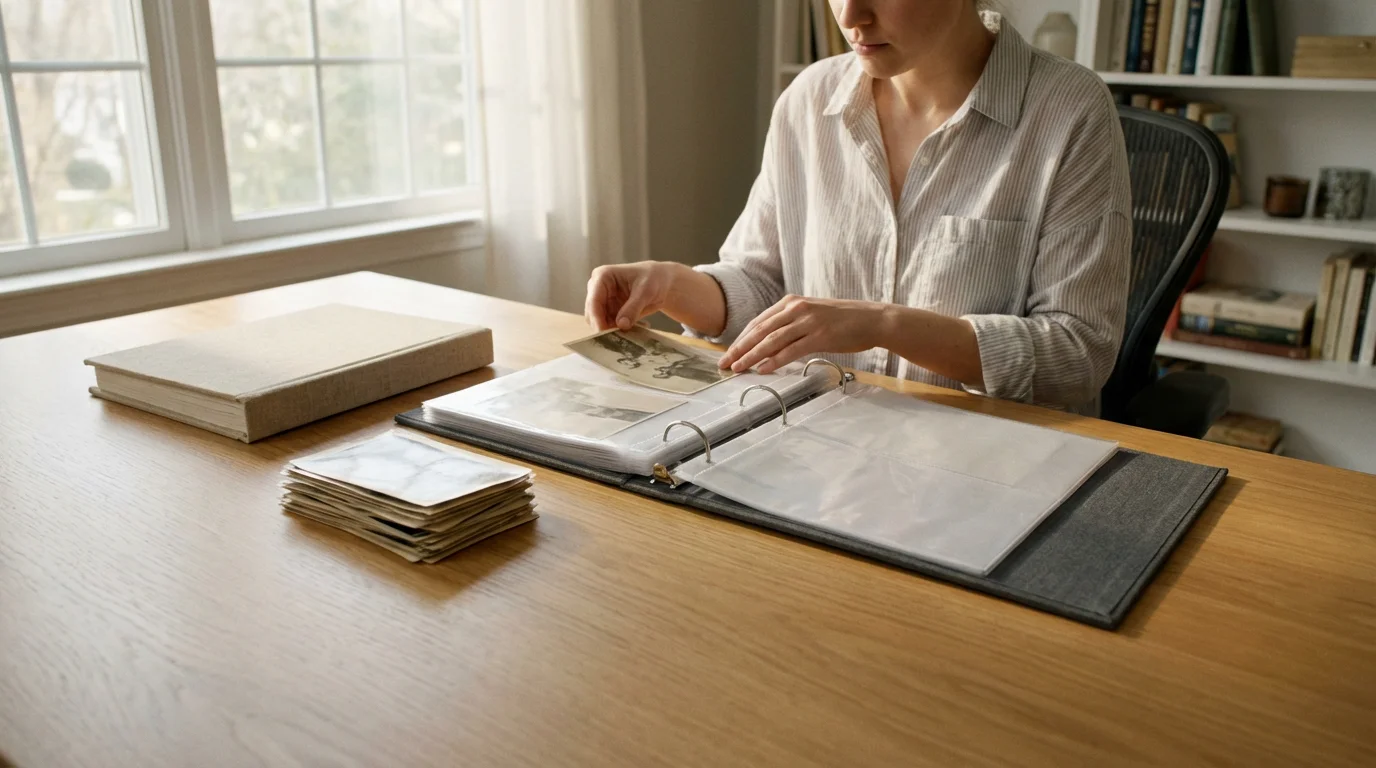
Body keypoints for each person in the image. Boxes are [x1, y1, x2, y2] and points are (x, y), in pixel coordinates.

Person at [584, 0, 1130, 415]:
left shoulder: (1069, 111)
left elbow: (1077, 355)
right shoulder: (808, 99)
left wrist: (885, 324)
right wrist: (675, 286)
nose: (850, 15)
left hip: (986, 471)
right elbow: (766, 286)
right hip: (816, 448)